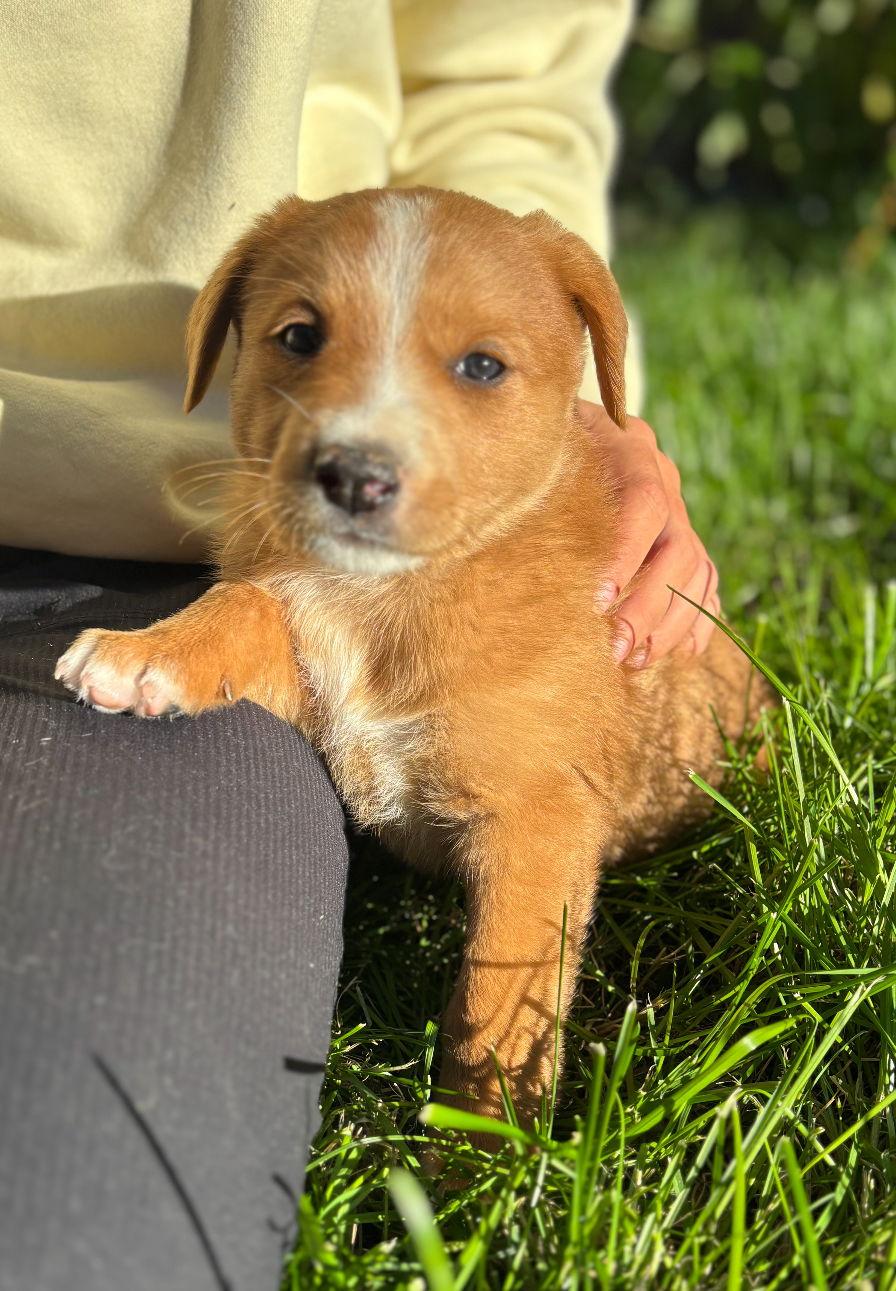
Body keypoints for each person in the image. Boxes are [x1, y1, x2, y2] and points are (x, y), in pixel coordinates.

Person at [0, 3, 719, 1287]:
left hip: (105, 572)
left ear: (583, 367)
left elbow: (505, 89)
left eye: (480, 366)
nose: (360, 441)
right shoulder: (271, 550)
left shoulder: (521, 604)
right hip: (146, 547)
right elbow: (278, 617)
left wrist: (485, 1116)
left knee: (83, 1198)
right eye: (299, 339)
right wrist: (228, 626)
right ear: (222, 338)